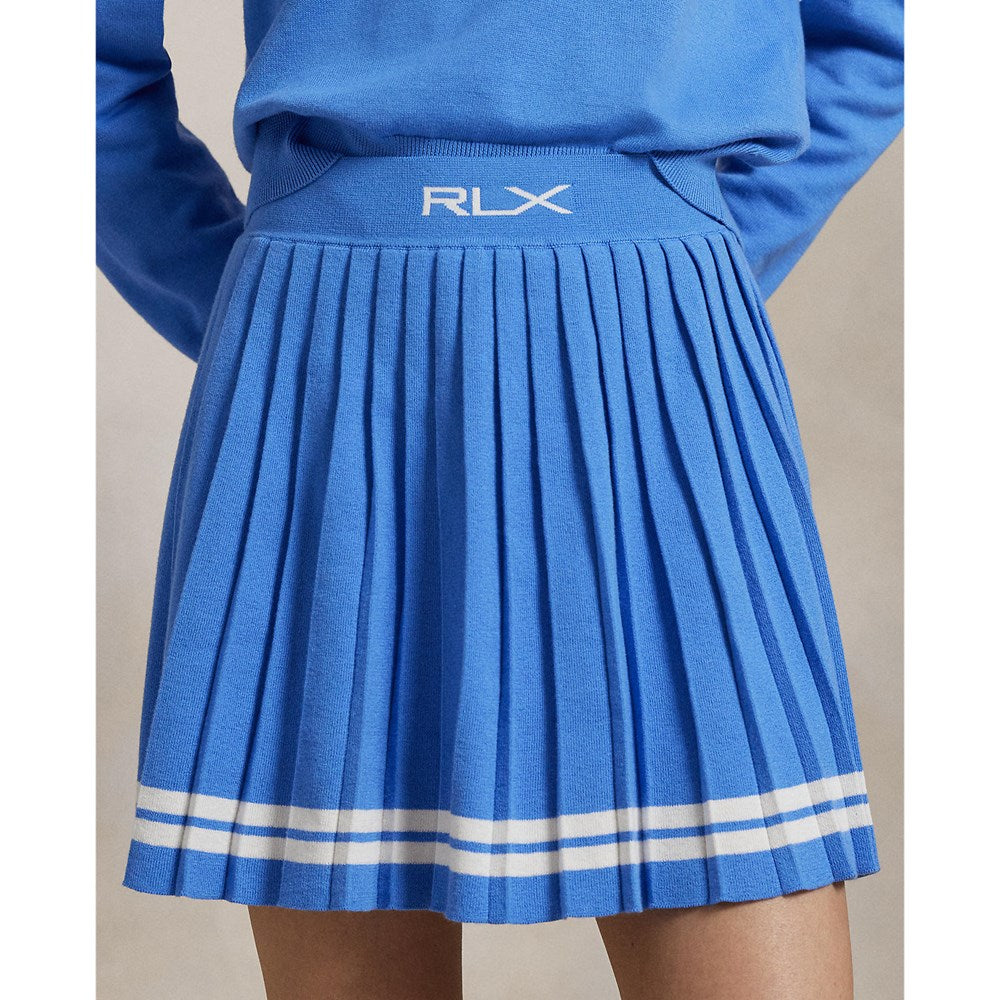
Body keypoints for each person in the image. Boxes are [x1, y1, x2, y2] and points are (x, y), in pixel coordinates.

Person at [97, 2, 904, 997]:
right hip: (337, 334)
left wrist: (690, 265)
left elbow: (875, 37)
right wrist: (263, 318)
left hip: (637, 328)